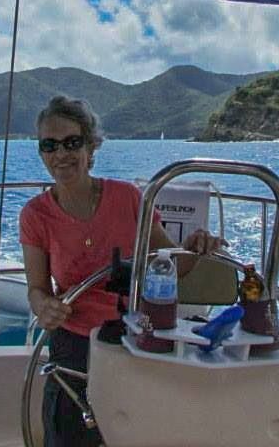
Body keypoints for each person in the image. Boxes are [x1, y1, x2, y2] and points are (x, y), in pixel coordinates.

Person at [19, 95, 224, 447]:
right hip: (73, 340)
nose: (60, 154)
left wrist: (196, 247)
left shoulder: (128, 198)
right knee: (66, 432)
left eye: (72, 142)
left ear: (91, 146)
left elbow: (170, 265)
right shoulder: (35, 215)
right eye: (49, 145)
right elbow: (37, 289)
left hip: (132, 331)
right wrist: (44, 307)